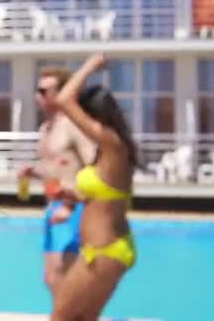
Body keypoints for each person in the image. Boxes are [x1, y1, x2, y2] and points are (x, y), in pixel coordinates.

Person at [51, 53, 137, 320]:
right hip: (108, 249)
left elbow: (64, 99)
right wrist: (75, 195)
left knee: (60, 317)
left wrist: (91, 64)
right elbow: (105, 197)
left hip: (103, 250)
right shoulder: (110, 149)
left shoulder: (111, 143)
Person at [18, 66, 97, 296]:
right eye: (38, 90)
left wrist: (71, 204)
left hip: (74, 209)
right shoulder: (46, 129)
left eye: (44, 91)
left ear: (63, 93)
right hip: (54, 207)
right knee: (53, 279)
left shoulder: (73, 126)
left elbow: (94, 166)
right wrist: (33, 172)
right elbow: (54, 170)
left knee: (68, 281)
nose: (38, 96)